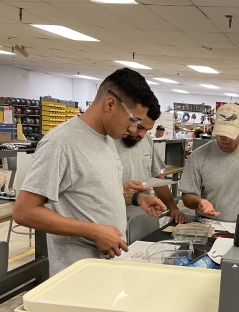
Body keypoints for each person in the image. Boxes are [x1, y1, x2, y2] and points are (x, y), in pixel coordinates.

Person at [13, 68, 166, 276]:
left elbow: (90, 191)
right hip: (77, 272)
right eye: (133, 120)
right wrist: (94, 231)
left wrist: (137, 198)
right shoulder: (61, 143)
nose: (133, 129)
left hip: (107, 267)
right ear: (110, 104)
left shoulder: (107, 138)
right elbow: (24, 211)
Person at [179, 103, 239, 222]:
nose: (225, 140)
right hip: (209, 224)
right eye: (221, 134)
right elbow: (187, 195)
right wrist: (199, 202)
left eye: (230, 135)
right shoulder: (198, 156)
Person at [115, 104, 187, 224]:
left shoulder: (145, 139)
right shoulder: (108, 140)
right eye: (139, 127)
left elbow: (156, 177)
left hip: (143, 220)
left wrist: (173, 209)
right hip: (114, 224)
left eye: (147, 130)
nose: (142, 134)